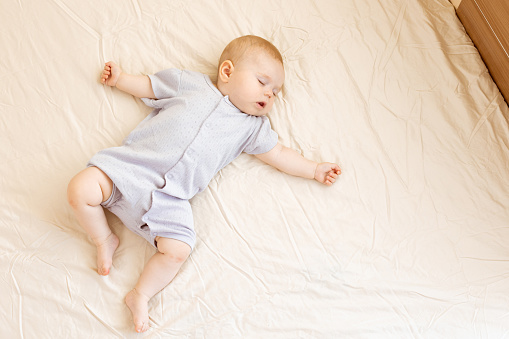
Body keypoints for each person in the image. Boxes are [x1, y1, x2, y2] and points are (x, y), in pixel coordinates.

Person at [67, 35, 341, 333]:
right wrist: (121, 79)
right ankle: (103, 238)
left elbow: (278, 154)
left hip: (171, 200)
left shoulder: (252, 127)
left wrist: (313, 169)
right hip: (132, 169)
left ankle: (141, 294)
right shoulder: (191, 84)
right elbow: (151, 87)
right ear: (227, 72)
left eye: (275, 91)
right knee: (80, 188)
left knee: (179, 249)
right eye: (263, 82)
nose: (270, 94)